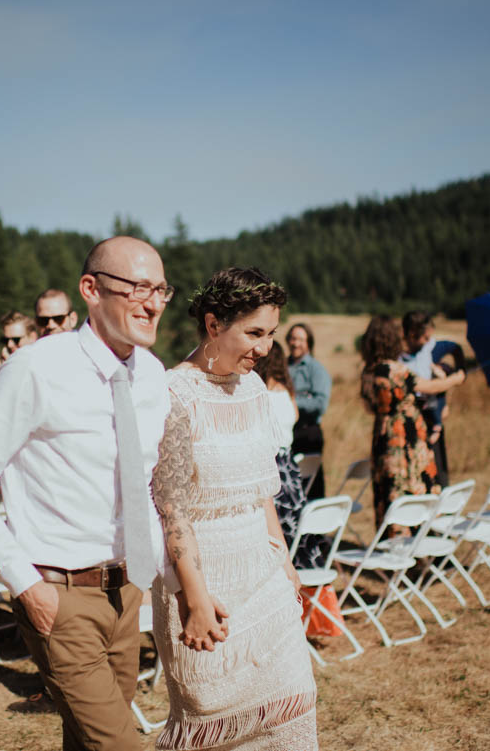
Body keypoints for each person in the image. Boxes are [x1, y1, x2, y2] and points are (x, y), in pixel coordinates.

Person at [0, 236, 173, 751]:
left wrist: (166, 580)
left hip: (127, 594)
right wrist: (25, 584)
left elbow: (150, 486)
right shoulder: (34, 369)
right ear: (90, 289)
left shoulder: (154, 378)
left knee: (85, 743)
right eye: (138, 287)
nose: (154, 302)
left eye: (161, 289)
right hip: (59, 597)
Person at [150, 267, 318, 749]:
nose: (265, 348)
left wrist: (283, 561)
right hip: (207, 586)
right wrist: (195, 598)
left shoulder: (255, 391)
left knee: (293, 705)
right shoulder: (173, 395)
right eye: (255, 333)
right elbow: (172, 508)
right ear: (213, 325)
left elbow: (261, 489)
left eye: (271, 334)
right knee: (212, 724)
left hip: (264, 579)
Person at [359, 316, 464, 534]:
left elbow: (369, 407)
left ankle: (392, 542)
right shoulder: (394, 369)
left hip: (382, 435)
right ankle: (416, 546)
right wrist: (455, 379)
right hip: (406, 435)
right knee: (412, 488)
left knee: (389, 490)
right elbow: (429, 387)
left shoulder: (368, 371)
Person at [256, 340, 322, 569]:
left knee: (275, 530)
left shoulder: (259, 393)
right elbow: (294, 416)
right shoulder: (287, 391)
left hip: (271, 464)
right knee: (294, 524)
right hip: (290, 466)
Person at [401, 311, 450, 489]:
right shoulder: (400, 361)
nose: (428, 341)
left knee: (438, 477)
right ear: (412, 334)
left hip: (431, 419)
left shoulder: (429, 351)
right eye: (425, 337)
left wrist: (446, 374)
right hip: (412, 425)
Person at [286, 322, 331, 498]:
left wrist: (291, 402)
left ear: (309, 343)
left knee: (311, 487)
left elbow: (320, 404)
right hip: (286, 432)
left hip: (308, 433)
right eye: (292, 338)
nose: (295, 343)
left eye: (300, 339)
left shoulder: (317, 370)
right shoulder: (282, 366)